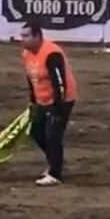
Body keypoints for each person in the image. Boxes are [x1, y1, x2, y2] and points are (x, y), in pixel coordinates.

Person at [20, 22, 77, 186]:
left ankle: (55, 173)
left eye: (26, 36)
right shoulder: (27, 54)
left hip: (61, 100)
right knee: (36, 131)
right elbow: (31, 78)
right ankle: (56, 161)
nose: (22, 39)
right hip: (42, 100)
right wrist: (33, 101)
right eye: (22, 36)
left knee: (53, 135)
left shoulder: (51, 53)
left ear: (37, 36)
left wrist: (57, 107)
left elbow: (59, 82)